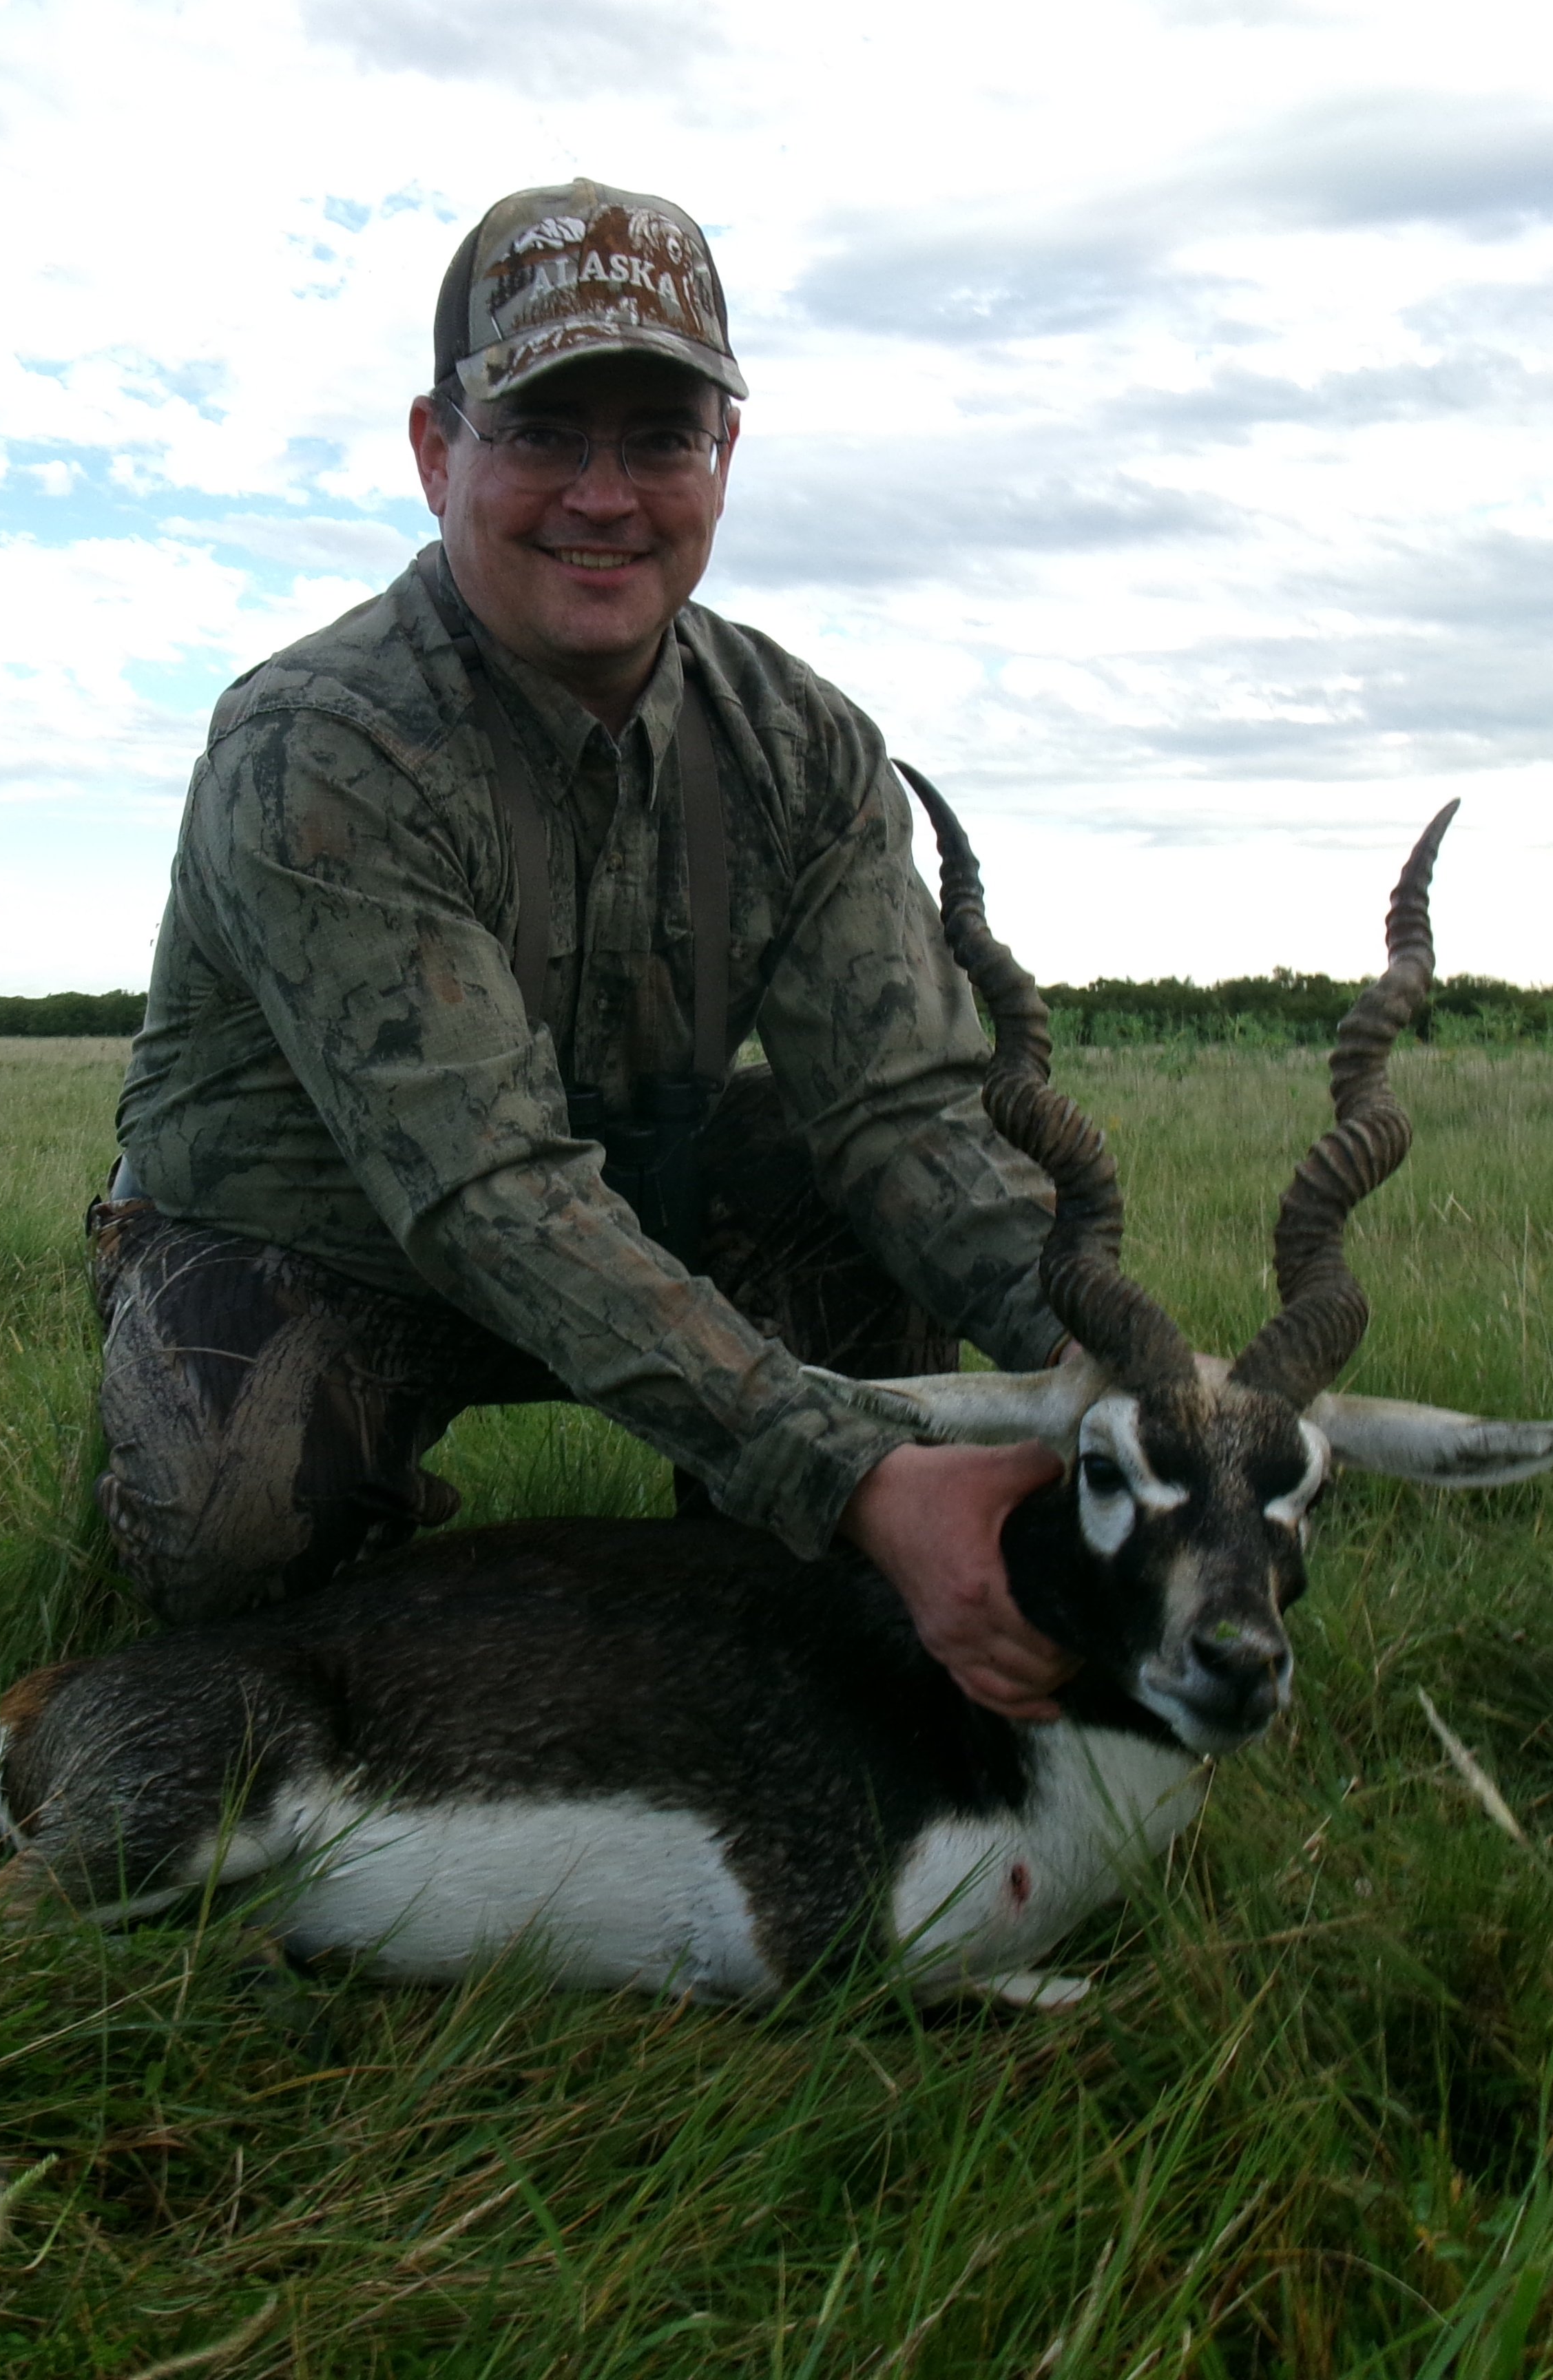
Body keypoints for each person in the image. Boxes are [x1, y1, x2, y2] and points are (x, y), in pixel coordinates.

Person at [93, 179, 1078, 1719]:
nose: (604, 496)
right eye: (545, 434)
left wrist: (1133, 1378)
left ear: (725, 459)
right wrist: (856, 1472)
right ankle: (406, 1571)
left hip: (641, 1201)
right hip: (323, 1250)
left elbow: (907, 1117)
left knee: (856, 1198)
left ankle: (776, 1605)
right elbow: (488, 1196)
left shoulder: (803, 748)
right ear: (438, 452)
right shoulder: (321, 748)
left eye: (659, 438)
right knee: (236, 1534)